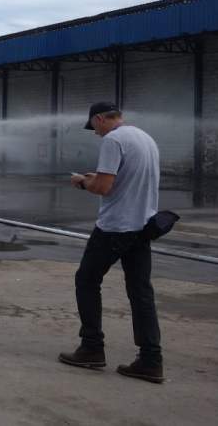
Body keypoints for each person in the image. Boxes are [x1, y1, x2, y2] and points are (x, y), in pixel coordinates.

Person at [59, 102, 165, 384]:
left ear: (99, 119)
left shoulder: (113, 140)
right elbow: (124, 181)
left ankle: (92, 348)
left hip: (116, 226)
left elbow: (104, 188)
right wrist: (98, 178)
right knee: (141, 293)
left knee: (86, 280)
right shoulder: (145, 139)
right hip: (143, 226)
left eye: (93, 127)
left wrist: (82, 181)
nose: (95, 133)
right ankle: (151, 360)